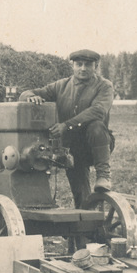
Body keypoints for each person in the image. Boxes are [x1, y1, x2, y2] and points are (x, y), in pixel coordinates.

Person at [19, 49, 115, 208]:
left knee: (96, 126)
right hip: (71, 150)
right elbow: (27, 93)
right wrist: (30, 96)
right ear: (73, 65)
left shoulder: (104, 86)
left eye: (88, 65)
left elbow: (98, 111)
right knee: (80, 195)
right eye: (79, 64)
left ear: (96, 66)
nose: (83, 68)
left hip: (96, 146)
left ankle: (103, 176)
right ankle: (87, 226)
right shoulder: (61, 86)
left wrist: (66, 125)